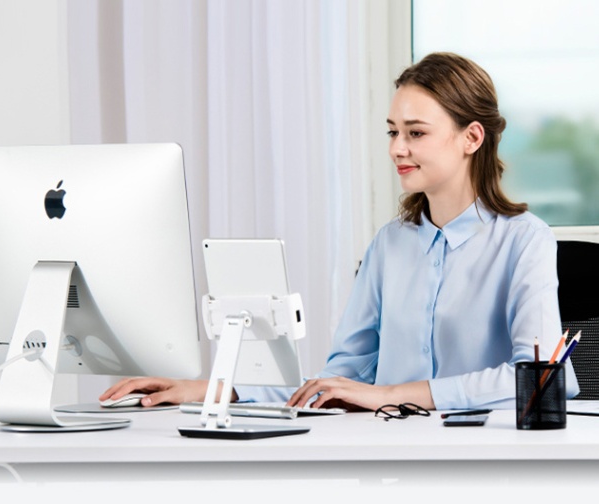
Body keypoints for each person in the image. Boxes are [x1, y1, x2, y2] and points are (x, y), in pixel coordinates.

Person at [100, 52, 580, 412]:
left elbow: (541, 377)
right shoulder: (390, 244)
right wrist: (216, 388)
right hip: (387, 454)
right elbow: (341, 378)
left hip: (485, 459)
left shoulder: (524, 240)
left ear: (471, 137)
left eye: (415, 133)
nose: (397, 148)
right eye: (392, 131)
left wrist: (393, 393)